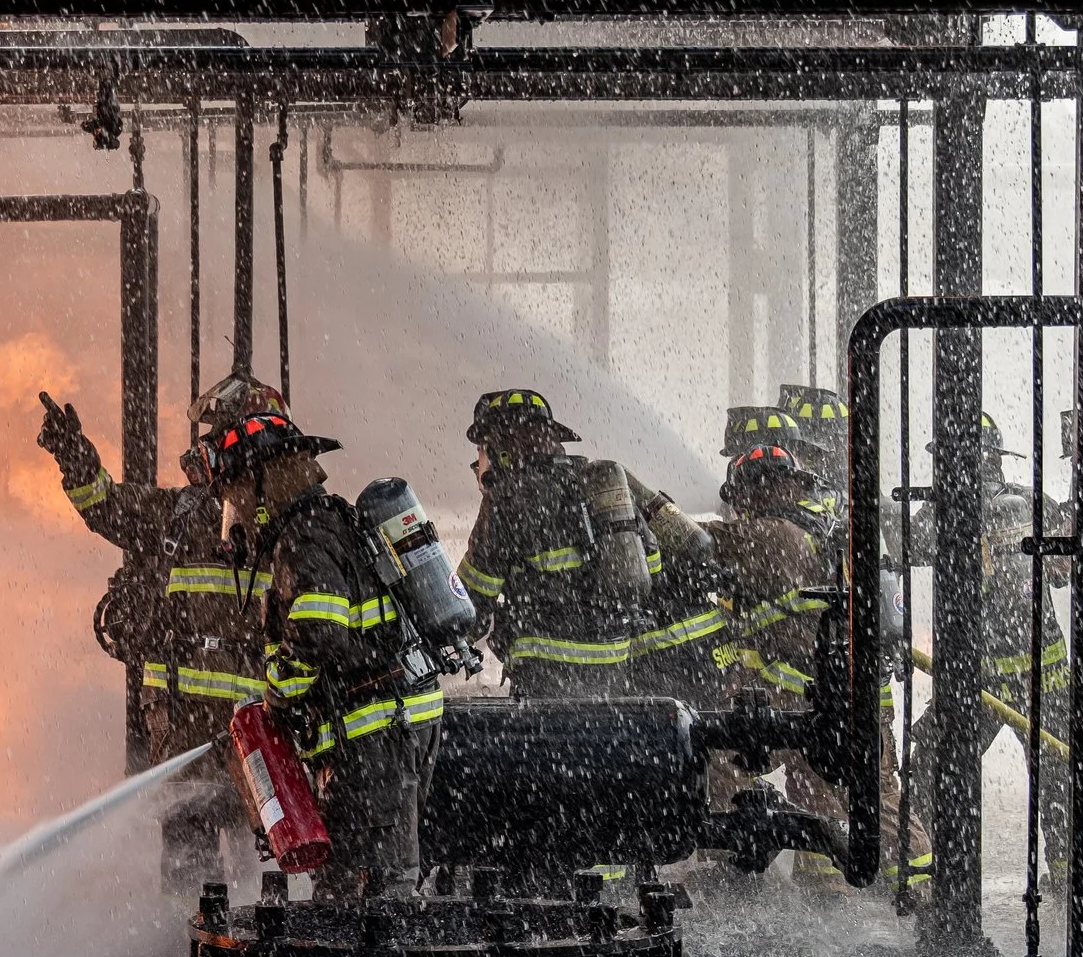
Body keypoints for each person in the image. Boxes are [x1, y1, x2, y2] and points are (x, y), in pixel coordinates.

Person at [37, 373, 286, 891]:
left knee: (272, 864)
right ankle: (189, 953)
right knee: (191, 873)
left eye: (220, 436)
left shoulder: (289, 525)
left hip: (260, 734)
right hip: (188, 735)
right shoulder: (181, 515)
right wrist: (73, 455)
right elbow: (106, 506)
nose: (209, 450)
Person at [201, 407, 444, 903]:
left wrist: (276, 693)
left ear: (265, 483)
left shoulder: (303, 538)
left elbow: (316, 635)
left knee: (370, 893)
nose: (236, 513)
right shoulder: (328, 524)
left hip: (374, 739)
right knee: (366, 882)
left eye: (236, 495)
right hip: (390, 725)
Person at [703, 440, 931, 891]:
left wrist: (643, 509)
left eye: (743, 496)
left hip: (807, 694)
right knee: (872, 794)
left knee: (724, 763)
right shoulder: (826, 525)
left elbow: (696, 542)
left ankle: (759, 878)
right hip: (859, 688)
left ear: (753, 492)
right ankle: (916, 888)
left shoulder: (770, 534)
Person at [901, 412, 1074, 897]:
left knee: (935, 766)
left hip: (979, 680)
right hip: (1045, 675)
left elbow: (903, 547)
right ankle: (1067, 879)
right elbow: (1061, 572)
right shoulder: (1033, 501)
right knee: (1059, 778)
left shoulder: (945, 512)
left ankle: (929, 871)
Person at [454, 387, 711, 698]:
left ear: (501, 451)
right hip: (615, 668)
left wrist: (441, 636)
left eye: (481, 455)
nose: (480, 467)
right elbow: (651, 568)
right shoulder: (604, 487)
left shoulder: (506, 500)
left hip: (545, 671)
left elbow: (471, 601)